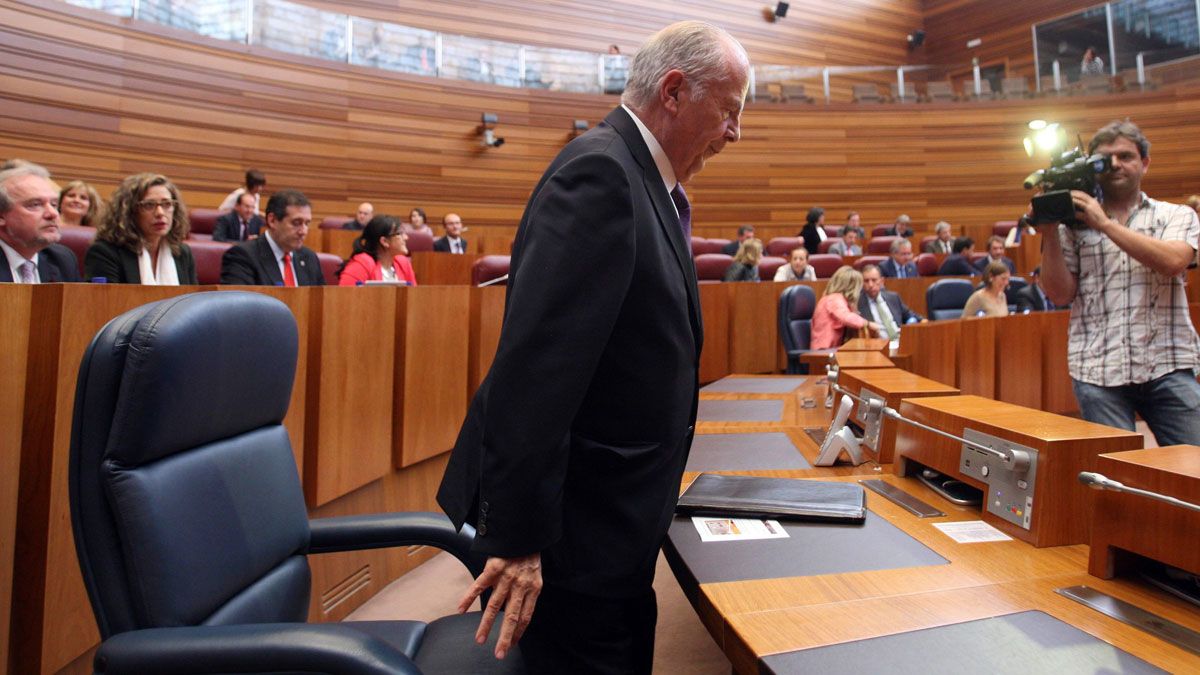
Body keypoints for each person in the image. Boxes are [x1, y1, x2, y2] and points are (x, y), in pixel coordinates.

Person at [436, 21, 749, 673]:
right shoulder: (602, 173)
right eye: (729, 110)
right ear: (673, 91)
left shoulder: (644, 181)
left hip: (610, 523)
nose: (734, 133)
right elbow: (537, 369)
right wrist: (519, 539)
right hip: (570, 536)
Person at [1039, 119, 1200, 445]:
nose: (1115, 164)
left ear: (1145, 163)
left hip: (1168, 363)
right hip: (1098, 370)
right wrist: (1049, 233)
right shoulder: (1071, 227)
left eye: (1125, 156)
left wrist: (1104, 224)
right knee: (1115, 471)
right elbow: (1059, 294)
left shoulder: (1176, 215)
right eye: (1104, 159)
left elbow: (1173, 262)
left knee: (1192, 467)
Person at [85, 173, 196, 285]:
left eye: (167, 204)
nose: (160, 213)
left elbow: (194, 296)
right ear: (129, 211)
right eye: (149, 205)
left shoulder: (182, 253)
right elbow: (104, 296)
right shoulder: (105, 252)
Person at [220, 188, 325, 286]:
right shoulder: (242, 256)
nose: (303, 231)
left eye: (307, 224)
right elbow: (240, 300)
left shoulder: (309, 258)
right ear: (272, 220)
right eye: (296, 223)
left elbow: (322, 298)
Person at [0, 163, 80, 283]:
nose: (52, 213)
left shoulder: (62, 260)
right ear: (1, 216)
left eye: (54, 204)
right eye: (35, 204)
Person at [811, 265, 881, 348]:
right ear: (851, 287)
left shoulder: (836, 298)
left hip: (832, 349)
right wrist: (868, 324)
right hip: (824, 350)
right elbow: (847, 317)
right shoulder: (834, 299)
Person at [337, 215, 417, 286]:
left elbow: (413, 295)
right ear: (384, 241)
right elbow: (345, 296)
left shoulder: (403, 263)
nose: (406, 237)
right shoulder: (362, 264)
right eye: (399, 233)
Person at [857, 264, 924, 339]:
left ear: (882, 281)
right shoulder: (857, 303)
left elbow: (911, 315)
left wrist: (923, 321)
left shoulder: (893, 297)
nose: (870, 285)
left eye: (874, 280)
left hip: (900, 340)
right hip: (878, 343)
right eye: (866, 281)